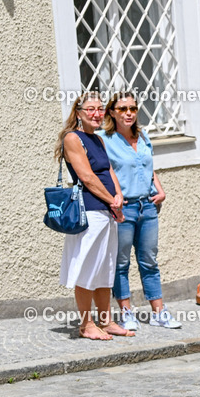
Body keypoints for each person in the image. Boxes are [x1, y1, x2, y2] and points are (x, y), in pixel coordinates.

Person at [99, 92, 181, 332]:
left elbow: (148, 167)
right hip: (123, 209)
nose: (128, 113)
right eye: (123, 108)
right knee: (121, 262)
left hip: (147, 207)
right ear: (111, 112)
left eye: (133, 109)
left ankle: (159, 312)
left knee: (149, 261)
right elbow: (103, 172)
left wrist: (160, 189)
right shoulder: (104, 139)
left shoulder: (143, 135)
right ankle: (126, 312)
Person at [56, 93, 132, 340]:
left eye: (100, 109)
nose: (96, 113)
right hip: (90, 211)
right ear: (78, 112)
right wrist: (112, 201)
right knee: (88, 267)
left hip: (107, 211)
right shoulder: (73, 138)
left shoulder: (97, 140)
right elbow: (87, 177)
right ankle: (87, 325)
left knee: (105, 268)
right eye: (90, 109)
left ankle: (106, 321)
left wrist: (118, 196)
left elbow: (109, 171)